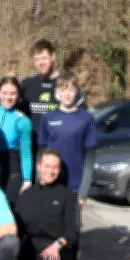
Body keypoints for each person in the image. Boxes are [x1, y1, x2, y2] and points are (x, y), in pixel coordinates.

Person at [14, 148, 79, 260]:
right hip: (31, 250)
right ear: (38, 166)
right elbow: (18, 227)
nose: (51, 171)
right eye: (47, 166)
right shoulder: (26, 194)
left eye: (55, 167)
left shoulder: (67, 195)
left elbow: (73, 230)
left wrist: (57, 245)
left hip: (56, 250)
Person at [37, 72, 96, 205]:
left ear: (77, 91)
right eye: (63, 90)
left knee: (72, 226)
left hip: (75, 187)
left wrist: (83, 190)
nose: (67, 94)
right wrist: (39, 182)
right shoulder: (48, 117)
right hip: (50, 183)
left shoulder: (86, 118)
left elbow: (90, 159)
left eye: (71, 90)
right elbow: (41, 154)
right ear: (57, 93)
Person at [19, 39, 86, 133]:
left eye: (44, 58)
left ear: (53, 56)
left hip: (60, 145)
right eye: (37, 60)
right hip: (33, 145)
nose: (40, 63)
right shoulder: (26, 85)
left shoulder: (68, 83)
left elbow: (82, 117)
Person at [0, 77, 33, 204]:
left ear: (18, 95)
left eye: (12, 93)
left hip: (12, 168)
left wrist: (27, 180)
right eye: (4, 93)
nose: (8, 97)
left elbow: (26, 152)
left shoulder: (23, 121)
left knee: (8, 207)